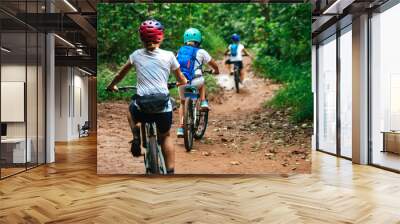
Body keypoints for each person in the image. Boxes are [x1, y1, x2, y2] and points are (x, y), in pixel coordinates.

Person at [106, 19, 187, 174]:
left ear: (141, 38)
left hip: (142, 106)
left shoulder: (135, 55)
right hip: (162, 106)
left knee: (130, 111)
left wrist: (112, 85)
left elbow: (120, 74)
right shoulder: (169, 56)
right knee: (165, 137)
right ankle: (170, 171)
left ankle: (136, 137)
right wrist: (182, 81)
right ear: (161, 37)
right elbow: (180, 78)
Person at [176, 27, 220, 137]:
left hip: (182, 82)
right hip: (196, 81)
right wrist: (216, 71)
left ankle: (181, 128)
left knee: (182, 103)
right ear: (199, 40)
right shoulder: (201, 52)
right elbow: (213, 64)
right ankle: (204, 101)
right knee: (202, 83)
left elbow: (175, 66)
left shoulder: (180, 51)